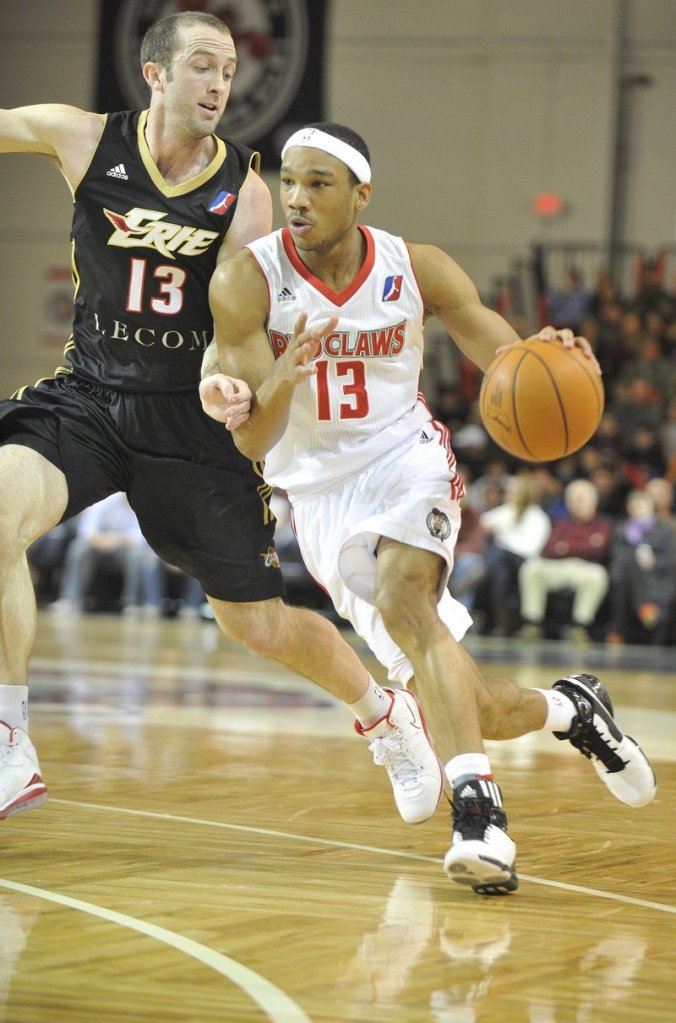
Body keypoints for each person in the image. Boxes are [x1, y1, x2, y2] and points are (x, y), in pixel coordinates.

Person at [0, 13, 447, 828]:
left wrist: (228, 386)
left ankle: (386, 715)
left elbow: (238, 321)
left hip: (189, 423)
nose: (218, 84)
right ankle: (8, 736)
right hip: (91, 394)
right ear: (156, 74)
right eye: (202, 65)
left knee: (258, 624)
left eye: (230, 70)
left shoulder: (243, 189)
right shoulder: (83, 139)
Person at [200, 122, 657, 895]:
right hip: (316, 493)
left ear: (360, 194)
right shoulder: (247, 281)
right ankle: (571, 709)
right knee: (466, 700)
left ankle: (479, 815)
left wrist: (543, 355)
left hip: (405, 458)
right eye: (289, 183)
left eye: (318, 183)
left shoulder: (417, 268)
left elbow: (511, 362)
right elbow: (255, 448)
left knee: (404, 592)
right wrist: (283, 376)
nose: (298, 199)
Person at [517, 478, 612, 642]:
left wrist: (566, 547)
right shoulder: (561, 524)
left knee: (598, 575)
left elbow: (598, 550)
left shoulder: (603, 524)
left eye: (580, 499)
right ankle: (532, 624)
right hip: (557, 567)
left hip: (585, 568)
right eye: (572, 499)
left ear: (593, 501)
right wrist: (582, 546)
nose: (576, 503)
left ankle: (580, 627)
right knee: (531, 569)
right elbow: (550, 549)